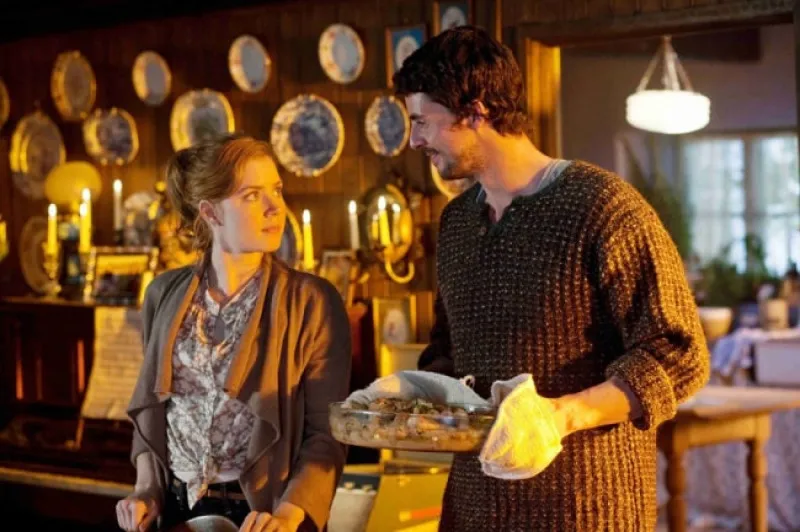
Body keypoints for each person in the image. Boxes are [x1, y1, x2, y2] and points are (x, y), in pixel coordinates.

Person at [392, 26, 710, 531]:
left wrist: (561, 415)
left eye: (422, 122)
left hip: (587, 510)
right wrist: (409, 397)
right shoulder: (456, 224)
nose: (414, 141)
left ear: (475, 111)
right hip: (474, 510)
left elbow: (679, 354)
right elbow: (448, 352)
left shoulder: (603, 208)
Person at [116, 134, 351, 532]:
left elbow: (327, 434)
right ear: (210, 212)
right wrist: (145, 491)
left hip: (265, 516)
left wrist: (288, 515)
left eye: (276, 190)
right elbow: (154, 413)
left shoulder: (312, 301)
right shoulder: (163, 294)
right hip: (178, 513)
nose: (275, 207)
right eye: (252, 195)